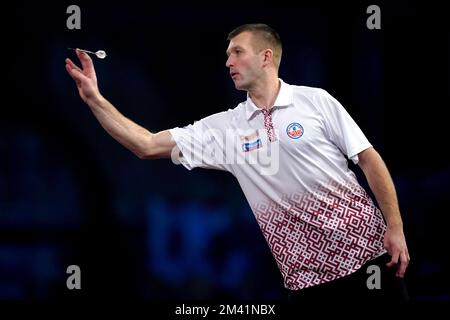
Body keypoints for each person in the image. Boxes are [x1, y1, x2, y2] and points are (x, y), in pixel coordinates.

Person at [65, 23, 410, 301]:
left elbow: (368, 159)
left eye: (237, 53)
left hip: (370, 261)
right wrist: (95, 100)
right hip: (306, 285)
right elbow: (146, 144)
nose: (228, 62)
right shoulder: (227, 129)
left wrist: (395, 227)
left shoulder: (316, 101)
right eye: (227, 55)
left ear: (266, 57)